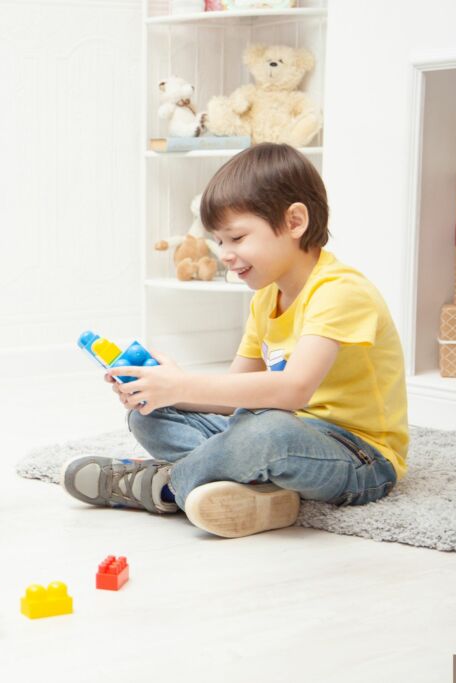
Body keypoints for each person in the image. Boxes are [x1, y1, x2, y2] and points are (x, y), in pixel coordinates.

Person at [62, 143, 407, 538]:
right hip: (278, 431)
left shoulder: (340, 291)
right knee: (151, 417)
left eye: (237, 237)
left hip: (359, 456)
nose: (225, 254)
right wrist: (163, 389)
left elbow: (293, 390)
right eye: (219, 241)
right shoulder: (266, 297)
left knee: (266, 434)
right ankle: (256, 490)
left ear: (294, 221)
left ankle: (165, 486)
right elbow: (234, 398)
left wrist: (183, 385)